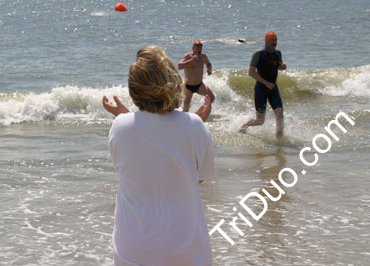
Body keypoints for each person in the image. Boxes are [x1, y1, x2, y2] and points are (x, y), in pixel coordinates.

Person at [103, 46, 216, 266]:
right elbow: (198, 178)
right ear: (174, 83)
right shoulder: (194, 125)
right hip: (187, 253)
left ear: (134, 90)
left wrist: (122, 115)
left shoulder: (121, 127)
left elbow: (141, 146)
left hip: (134, 251)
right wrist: (197, 125)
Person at [240, 31, 287, 138]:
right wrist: (266, 83)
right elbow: (251, 72)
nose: (274, 42)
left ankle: (279, 140)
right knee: (260, 121)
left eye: (275, 40)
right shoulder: (259, 54)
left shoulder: (278, 53)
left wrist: (282, 67)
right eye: (272, 40)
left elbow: (277, 65)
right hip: (261, 88)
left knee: (280, 114)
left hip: (273, 88)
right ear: (266, 41)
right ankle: (244, 126)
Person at [178, 40, 215, 112]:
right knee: (186, 106)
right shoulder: (187, 56)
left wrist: (209, 70)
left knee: (211, 97)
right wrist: (191, 60)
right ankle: (184, 121)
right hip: (188, 86)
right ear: (193, 47)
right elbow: (179, 66)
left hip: (199, 85)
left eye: (201, 45)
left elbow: (208, 64)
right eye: (197, 45)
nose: (199, 47)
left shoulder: (203, 57)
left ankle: (200, 112)